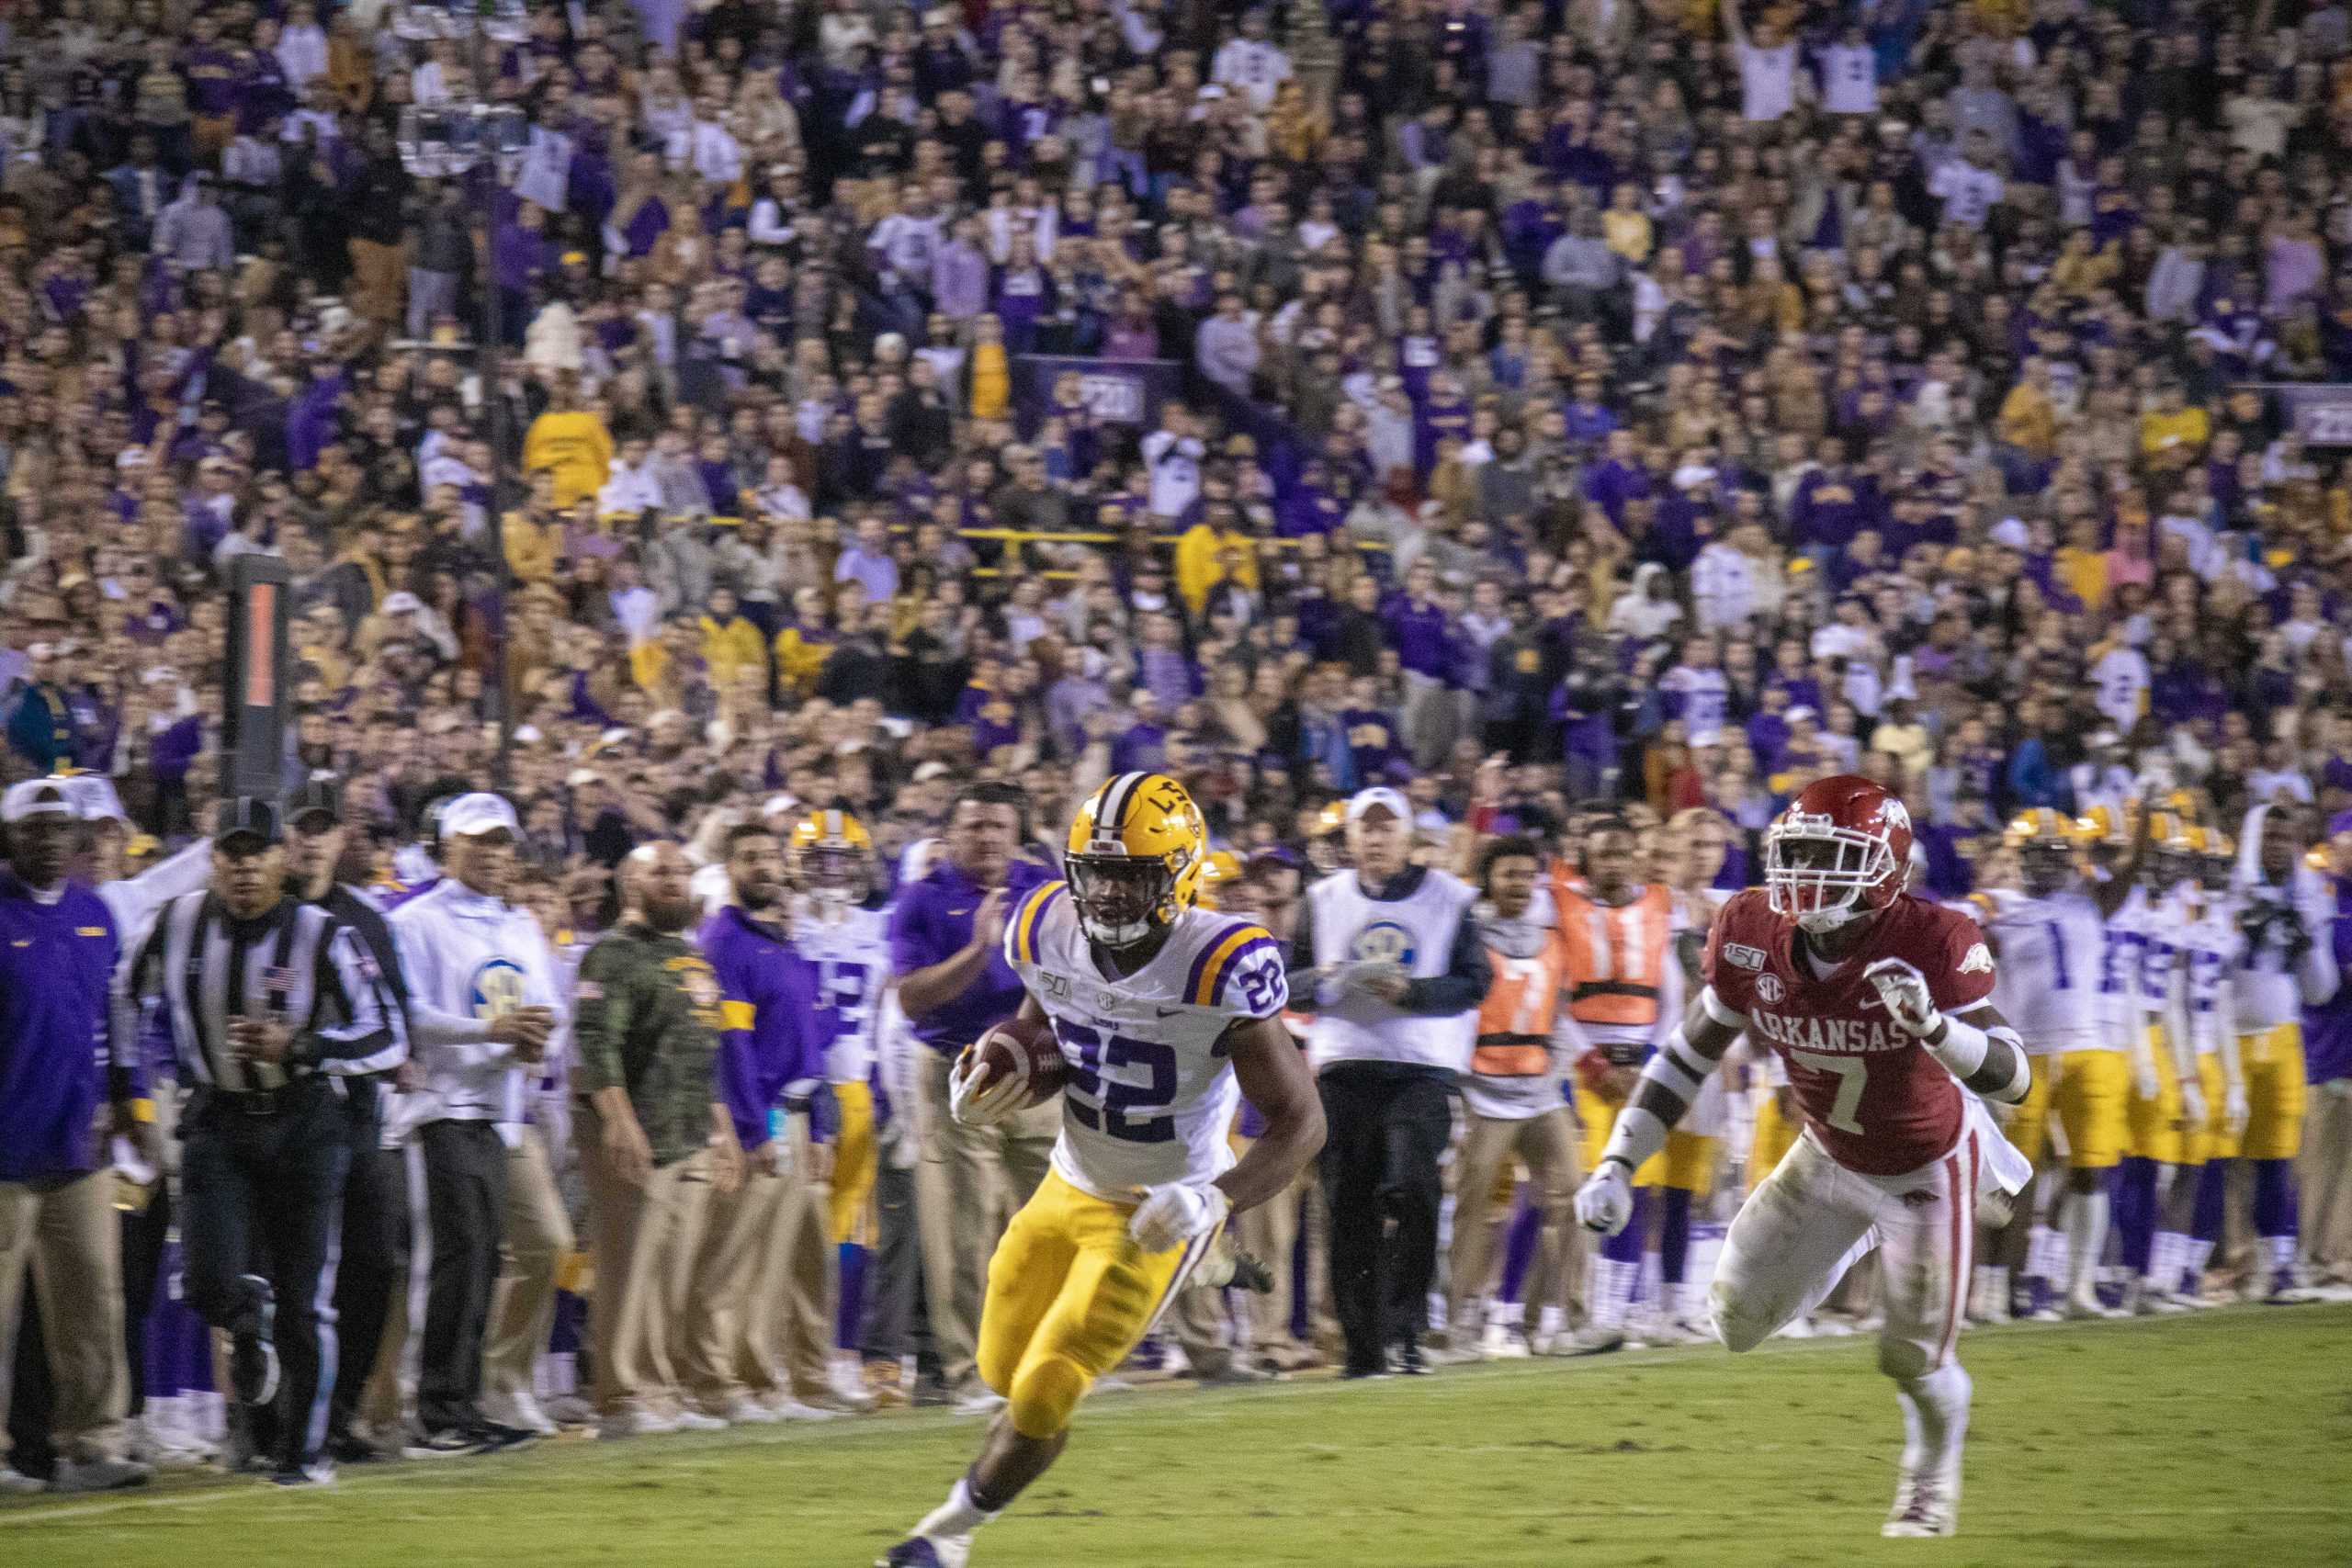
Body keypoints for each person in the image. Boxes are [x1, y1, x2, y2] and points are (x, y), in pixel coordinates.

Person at [880, 773, 1324, 1567]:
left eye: (1134, 873)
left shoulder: (1220, 961)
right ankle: (1211, 1267)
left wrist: (1211, 1200)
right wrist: (994, 1077)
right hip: (1068, 1181)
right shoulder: (1044, 922)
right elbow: (1042, 1026)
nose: (1111, 892)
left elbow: (1302, 1121)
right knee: (999, 1368)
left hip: (1157, 1207)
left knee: (1049, 1385)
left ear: (1182, 871)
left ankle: (942, 1539)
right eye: (1098, 870)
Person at [1576, 775, 2033, 1538]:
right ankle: (1845, 1239)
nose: (1806, 872)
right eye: (1798, 851)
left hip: (1926, 1168)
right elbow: (1688, 1053)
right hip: (1826, 1153)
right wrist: (1619, 1161)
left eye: (1830, 853)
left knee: (1910, 1357)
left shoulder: (1933, 936)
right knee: (1734, 1319)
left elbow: (2015, 1075)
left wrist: (1934, 1028)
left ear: (1884, 866)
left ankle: (1930, 1477)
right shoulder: (1751, 927)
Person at [130, 798, 407, 1487]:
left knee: (307, 1293)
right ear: (214, 859)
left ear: (281, 859)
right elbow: (124, 996)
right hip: (219, 1117)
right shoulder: (177, 921)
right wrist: (136, 1082)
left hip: (306, 1122)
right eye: (232, 853)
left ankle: (299, 1455)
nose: (246, 867)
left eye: (258, 853)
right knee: (206, 1280)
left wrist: (304, 1045)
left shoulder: (324, 932)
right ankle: (248, 1317)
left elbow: (388, 1034)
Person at [387, 793, 563, 1452]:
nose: (493, 853)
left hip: (499, 1110)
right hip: (440, 1107)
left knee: (482, 1260)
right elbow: (410, 1013)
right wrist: (488, 1031)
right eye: (479, 840)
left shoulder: (518, 923)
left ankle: (462, 1402)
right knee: (450, 1260)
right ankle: (428, 1409)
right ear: (447, 845)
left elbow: (548, 1004)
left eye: (502, 841)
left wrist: (538, 1036)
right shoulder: (414, 922)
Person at [1296, 786, 1490, 1377]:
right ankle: (1362, 1346)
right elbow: (1288, 979)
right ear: (1350, 839)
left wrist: (1416, 993)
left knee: (1411, 1189)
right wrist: (1325, 979)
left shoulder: (1450, 899)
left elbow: (1475, 982)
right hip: (1344, 1068)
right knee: (1348, 1207)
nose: (1376, 838)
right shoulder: (1322, 899)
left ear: (1408, 838)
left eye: (1387, 828)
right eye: (1366, 829)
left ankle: (1406, 1331)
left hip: (1418, 1070)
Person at [0, 779, 153, 1494]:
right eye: (34, 830)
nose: (50, 841)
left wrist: (134, 1100)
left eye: (60, 829)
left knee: (95, 1297)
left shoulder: (97, 914)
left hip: (79, 1145)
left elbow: (119, 1015)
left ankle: (94, 1442)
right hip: (5, 1149)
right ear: (9, 837)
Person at [888, 782, 1058, 1409]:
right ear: (952, 832)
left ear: (1016, 830)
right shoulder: (922, 898)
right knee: (963, 1229)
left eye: (997, 824)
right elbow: (910, 996)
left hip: (1037, 1067)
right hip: (958, 1069)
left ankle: (1049, 1354)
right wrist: (978, 950)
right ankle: (969, 1372)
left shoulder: (1043, 887)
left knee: (1056, 1218)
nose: (986, 836)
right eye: (974, 825)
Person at [573, 840, 745, 1438]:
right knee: (628, 1266)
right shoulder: (611, 955)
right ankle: (621, 1396)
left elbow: (702, 1052)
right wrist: (618, 1120)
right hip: (635, 1133)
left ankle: (662, 1387)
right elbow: (597, 1048)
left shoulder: (687, 955)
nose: (673, 880)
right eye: (658, 871)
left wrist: (721, 1130)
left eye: (681, 870)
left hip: (690, 1130)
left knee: (673, 1269)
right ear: (629, 882)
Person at [283, 778, 415, 1462]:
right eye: (300, 826)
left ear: (341, 838)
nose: (310, 839)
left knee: (371, 1261)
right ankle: (277, 1420)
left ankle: (339, 1412)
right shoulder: (256, 910)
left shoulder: (366, 917)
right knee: (290, 1274)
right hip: (277, 1119)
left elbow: (398, 1015)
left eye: (322, 827)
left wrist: (403, 1056)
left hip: (357, 1116)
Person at [687, 819, 836, 1423]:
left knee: (790, 1258)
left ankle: (774, 1379)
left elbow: (809, 1042)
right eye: (748, 858)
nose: (763, 868)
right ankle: (716, 1382)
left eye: (770, 857)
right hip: (766, 1114)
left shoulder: (782, 938)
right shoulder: (726, 939)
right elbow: (732, 1045)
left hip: (797, 1114)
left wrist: (821, 1124)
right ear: (729, 869)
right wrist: (753, 1128)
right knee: (734, 1258)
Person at [1983, 807, 2148, 1319]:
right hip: (2025, 1051)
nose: (2047, 865)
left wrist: (2144, 819)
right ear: (2016, 857)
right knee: (2015, 1178)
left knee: (2090, 1169)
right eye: (2036, 854)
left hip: (2090, 1047)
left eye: (2055, 855)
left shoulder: (2091, 899)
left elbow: (2130, 870)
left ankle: (2077, 1289)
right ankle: (1993, 1292)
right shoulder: (1993, 906)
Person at [1553, 814, 1690, 1350]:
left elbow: (1670, 993)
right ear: (1586, 858)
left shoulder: (1662, 906)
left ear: (1637, 856)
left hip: (1641, 1068)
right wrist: (1593, 1065)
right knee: (1580, 1186)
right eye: (1602, 854)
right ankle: (1546, 1314)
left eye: (1621, 853)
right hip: (1585, 1069)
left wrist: (1650, 1061)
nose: (1612, 863)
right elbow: (1553, 997)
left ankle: (1612, 1314)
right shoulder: (1559, 907)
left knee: (1634, 1186)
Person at [1442, 836, 1579, 1359]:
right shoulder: (1467, 938)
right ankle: (1459, 1324)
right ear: (1488, 879)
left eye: (1528, 875)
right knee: (1474, 1209)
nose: (1519, 885)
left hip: (1541, 1090)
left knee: (1573, 1196)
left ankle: (1552, 1319)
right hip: (1484, 1093)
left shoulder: (1552, 938)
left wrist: (1557, 1069)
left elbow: (1561, 1011)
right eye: (1509, 874)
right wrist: (1459, 1092)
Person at [786, 809, 890, 1411]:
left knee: (852, 1232)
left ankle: (842, 1352)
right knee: (789, 1232)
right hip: (797, 1094)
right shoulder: (785, 923)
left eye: (840, 859)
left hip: (854, 1088)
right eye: (818, 858)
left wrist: (893, 1095)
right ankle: (787, 1350)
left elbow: (892, 1019)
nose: (829, 870)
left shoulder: (879, 928)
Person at [2225, 804, 2338, 1302]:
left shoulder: (2308, 895)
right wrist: (2239, 931)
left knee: (2277, 1159)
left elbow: (2320, 990)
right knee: (2221, 1160)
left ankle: (2280, 1268)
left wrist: (2308, 940)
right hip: (2229, 1041)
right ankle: (2231, 1265)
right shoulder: (2230, 890)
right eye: (2268, 835)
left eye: (2285, 837)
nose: (2277, 846)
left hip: (2283, 1036)